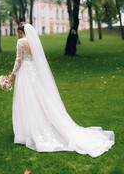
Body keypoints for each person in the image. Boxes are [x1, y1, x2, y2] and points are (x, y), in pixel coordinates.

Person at [8, 22, 115, 158]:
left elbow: (19, 59)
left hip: (25, 73)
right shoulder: (33, 41)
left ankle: (28, 130)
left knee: (27, 99)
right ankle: (37, 125)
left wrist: (12, 75)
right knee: (39, 98)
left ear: (20, 31)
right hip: (33, 72)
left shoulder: (21, 42)